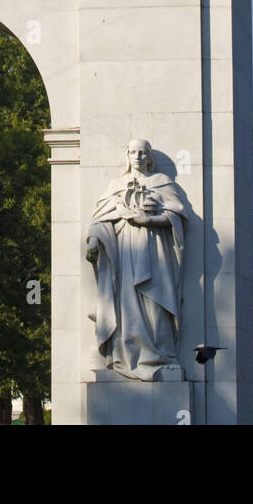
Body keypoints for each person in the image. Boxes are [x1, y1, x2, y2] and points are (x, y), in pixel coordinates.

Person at [85, 139, 186, 380]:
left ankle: (160, 355)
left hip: (154, 252)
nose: (138, 156)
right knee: (125, 304)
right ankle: (124, 353)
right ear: (127, 156)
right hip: (124, 252)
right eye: (133, 152)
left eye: (142, 152)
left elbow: (177, 216)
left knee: (155, 302)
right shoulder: (116, 185)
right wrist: (93, 240)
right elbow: (99, 220)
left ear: (149, 157)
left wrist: (150, 220)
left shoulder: (162, 183)